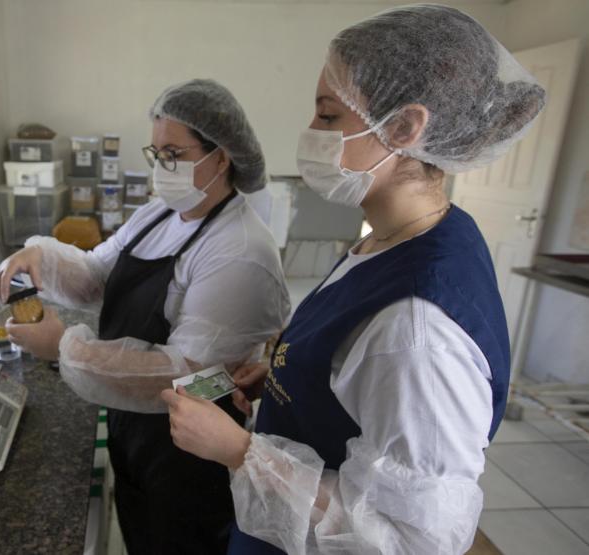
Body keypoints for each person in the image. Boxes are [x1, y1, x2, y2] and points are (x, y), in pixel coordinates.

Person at [161, 5, 546, 554]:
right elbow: (356, 368)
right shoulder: (396, 237)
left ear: (404, 127)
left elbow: (411, 542)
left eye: (327, 116)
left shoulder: (418, 330)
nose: (310, 133)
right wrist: (285, 379)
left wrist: (240, 454)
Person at [0, 79, 290, 554]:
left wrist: (64, 347)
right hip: (135, 420)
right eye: (156, 155)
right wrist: (40, 260)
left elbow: (192, 375)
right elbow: (96, 276)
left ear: (222, 156)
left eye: (173, 154)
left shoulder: (240, 250)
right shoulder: (160, 214)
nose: (161, 169)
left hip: (192, 448)